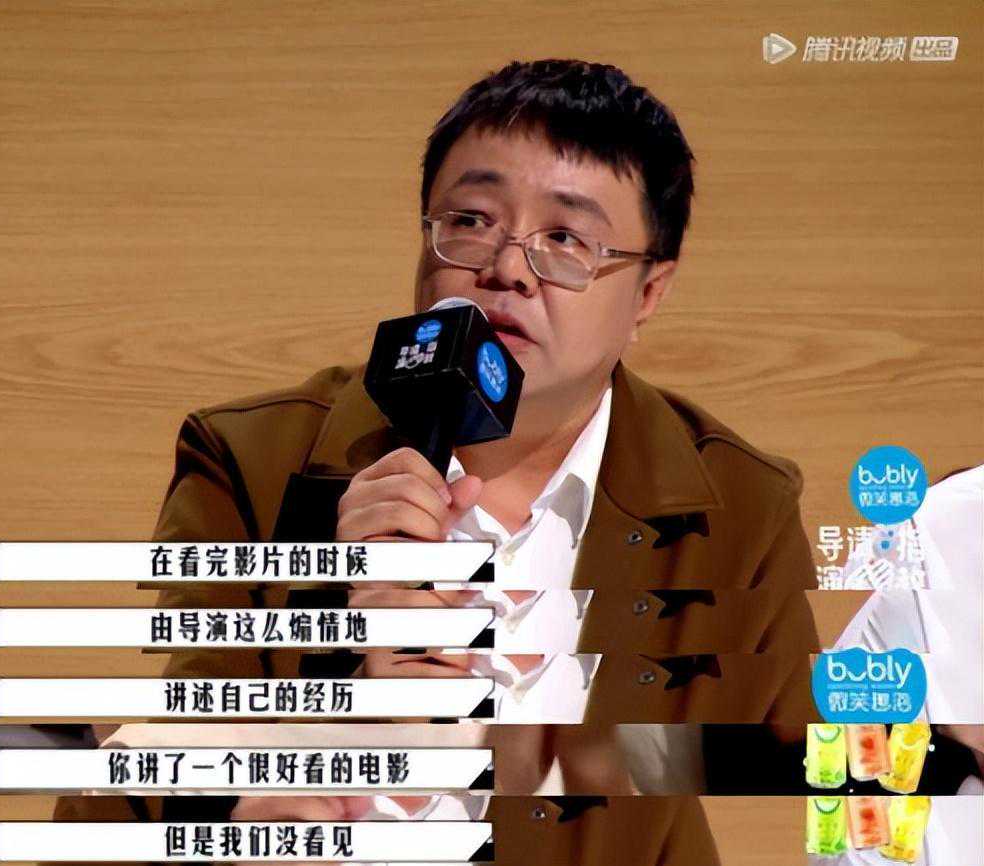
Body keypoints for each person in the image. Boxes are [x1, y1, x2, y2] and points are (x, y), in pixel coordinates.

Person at [57, 58, 830, 864]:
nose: (506, 269)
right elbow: (182, 746)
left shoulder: (735, 501)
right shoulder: (253, 460)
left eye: (565, 239)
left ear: (647, 294)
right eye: (470, 220)